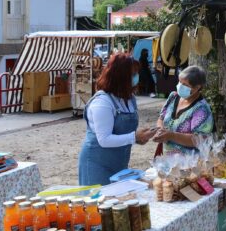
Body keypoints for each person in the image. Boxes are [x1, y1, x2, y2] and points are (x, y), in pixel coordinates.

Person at [78, 53, 156, 186]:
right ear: (120, 77)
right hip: (97, 164)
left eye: (137, 73)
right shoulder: (102, 102)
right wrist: (134, 137)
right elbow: (104, 139)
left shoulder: (129, 99)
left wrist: (141, 138)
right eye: (133, 74)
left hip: (120, 163)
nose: (136, 77)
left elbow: (124, 134)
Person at [153, 66, 214, 155]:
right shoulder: (173, 96)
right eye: (179, 82)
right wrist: (160, 130)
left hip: (190, 162)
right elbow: (161, 118)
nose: (180, 86)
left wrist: (171, 135)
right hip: (168, 159)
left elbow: (199, 139)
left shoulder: (202, 109)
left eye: (185, 85)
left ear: (197, 87)